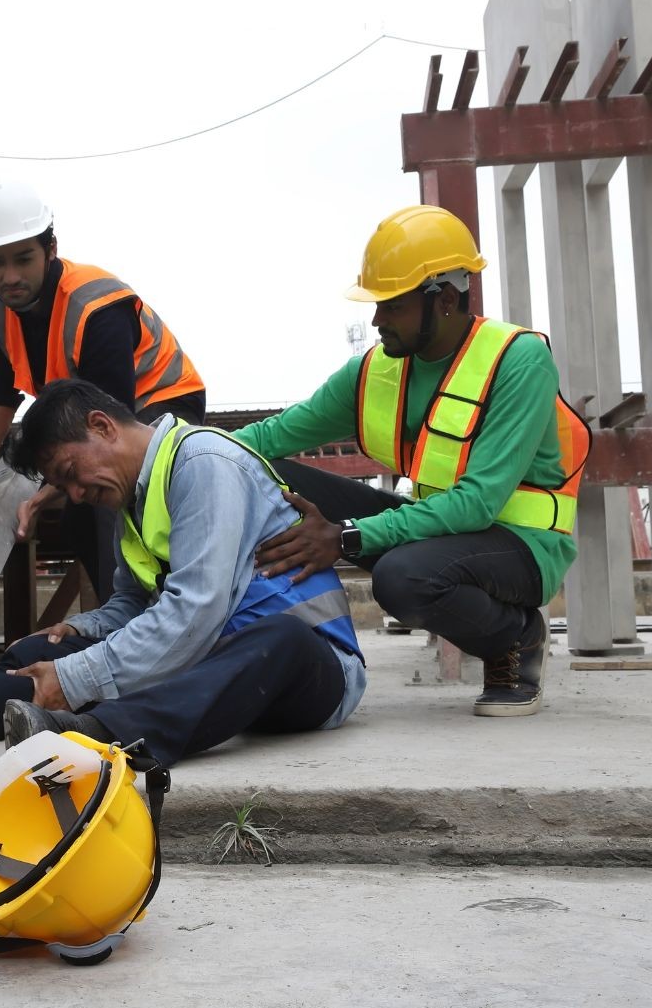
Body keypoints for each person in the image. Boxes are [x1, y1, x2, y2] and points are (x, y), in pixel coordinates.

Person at [233, 205, 589, 717]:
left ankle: (516, 636)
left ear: (444, 299)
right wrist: (174, 452)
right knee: (266, 473)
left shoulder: (519, 361)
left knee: (401, 578)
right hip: (440, 532)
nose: (376, 320)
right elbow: (270, 437)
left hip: (520, 547)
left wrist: (346, 536)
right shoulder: (375, 371)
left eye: (392, 306)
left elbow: (478, 504)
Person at [0, 379, 367, 767]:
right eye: (63, 489)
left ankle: (97, 734)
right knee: (40, 654)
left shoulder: (205, 463)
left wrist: (78, 676)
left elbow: (196, 611)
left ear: (103, 426)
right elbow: (134, 605)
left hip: (310, 668)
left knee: (281, 638)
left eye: (69, 474)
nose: (77, 495)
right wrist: (80, 629)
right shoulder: (133, 500)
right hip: (207, 659)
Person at [0, 177, 207, 602]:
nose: (10, 276)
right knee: (78, 521)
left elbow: (107, 427)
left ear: (51, 249)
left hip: (159, 403)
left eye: (23, 259)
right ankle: (121, 616)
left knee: (107, 502)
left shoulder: (97, 304)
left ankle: (151, 619)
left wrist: (40, 498)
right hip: (87, 415)